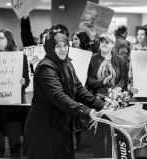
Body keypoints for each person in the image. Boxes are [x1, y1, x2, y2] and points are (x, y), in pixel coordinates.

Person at [22, 28, 105, 159]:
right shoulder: (46, 67)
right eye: (58, 46)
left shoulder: (66, 63)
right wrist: (87, 111)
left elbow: (78, 88)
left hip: (60, 124)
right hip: (44, 126)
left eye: (65, 45)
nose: (63, 49)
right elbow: (58, 97)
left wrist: (101, 105)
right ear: (50, 47)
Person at [85, 31, 128, 157]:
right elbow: (87, 79)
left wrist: (115, 92)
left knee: (113, 134)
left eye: (107, 42)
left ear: (112, 44)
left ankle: (111, 156)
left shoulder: (120, 60)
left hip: (114, 103)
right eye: (102, 41)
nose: (104, 44)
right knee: (97, 134)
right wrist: (101, 82)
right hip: (97, 101)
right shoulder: (92, 58)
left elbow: (124, 79)